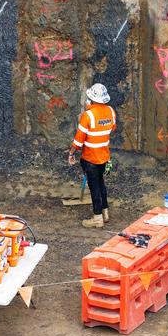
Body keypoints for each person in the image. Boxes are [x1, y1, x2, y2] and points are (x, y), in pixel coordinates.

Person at [68, 83, 116, 228]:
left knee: (94, 186)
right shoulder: (111, 111)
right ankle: (105, 213)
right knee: (101, 184)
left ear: (91, 99)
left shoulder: (88, 115)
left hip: (90, 158)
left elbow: (79, 139)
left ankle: (97, 218)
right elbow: (112, 127)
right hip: (104, 156)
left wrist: (71, 152)